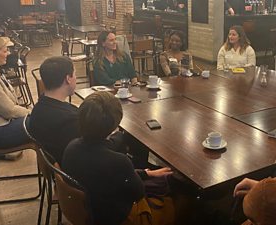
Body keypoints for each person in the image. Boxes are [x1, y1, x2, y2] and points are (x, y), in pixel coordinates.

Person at [62, 91, 173, 225]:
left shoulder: (71, 147)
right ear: (116, 124)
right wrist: (142, 174)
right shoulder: (119, 161)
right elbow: (138, 193)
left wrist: (145, 173)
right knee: (174, 199)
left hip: (86, 212)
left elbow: (102, 174)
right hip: (113, 218)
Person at [29, 56, 136, 165]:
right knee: (131, 138)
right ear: (68, 79)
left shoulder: (38, 109)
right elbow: (97, 150)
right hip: (87, 171)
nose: (75, 78)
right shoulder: (70, 120)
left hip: (61, 165)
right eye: (74, 74)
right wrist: (118, 135)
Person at [0, 34, 31, 149]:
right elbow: (9, 111)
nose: (8, 54)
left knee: (45, 122)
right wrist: (33, 113)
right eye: (5, 51)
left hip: (1, 125)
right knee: (43, 123)